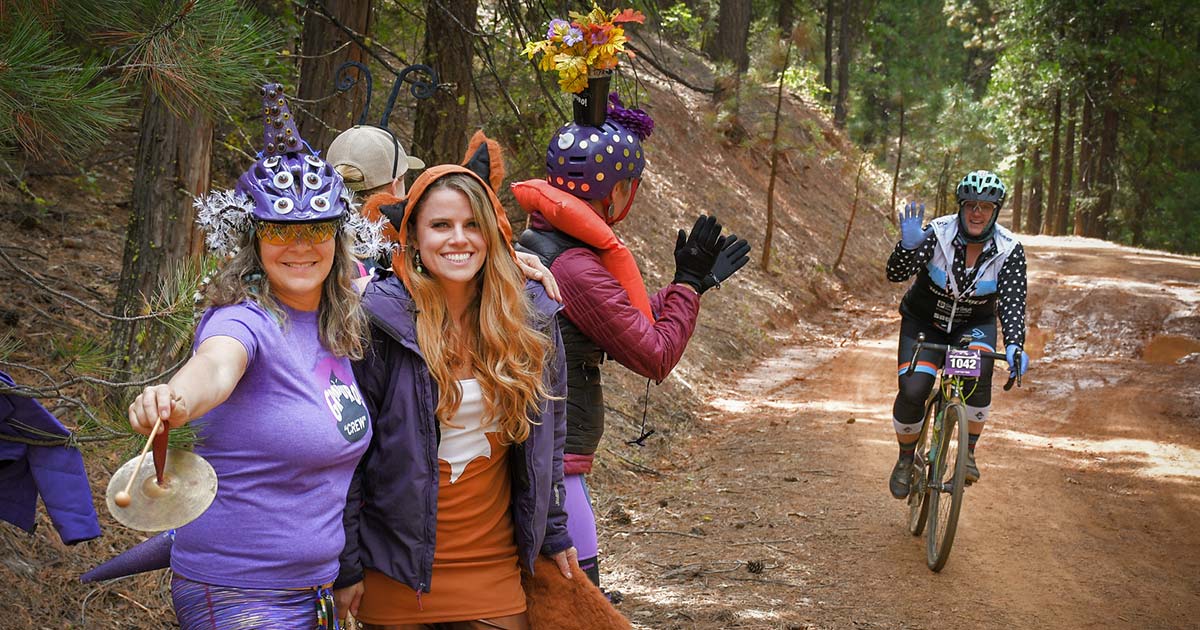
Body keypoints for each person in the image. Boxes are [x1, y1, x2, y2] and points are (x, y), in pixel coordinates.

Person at [126, 83, 388, 628]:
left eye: (317, 228)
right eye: (280, 229)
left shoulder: (336, 320)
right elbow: (216, 367)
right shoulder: (242, 321)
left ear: (339, 239)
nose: (299, 244)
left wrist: (520, 264)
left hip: (315, 592)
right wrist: (175, 398)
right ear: (254, 238)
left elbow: (442, 277)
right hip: (239, 594)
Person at [512, 93, 751, 587]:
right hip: (560, 458)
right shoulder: (575, 264)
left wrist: (693, 285)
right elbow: (654, 354)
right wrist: (685, 287)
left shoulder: (542, 239)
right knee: (580, 594)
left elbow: (617, 317)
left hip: (548, 447)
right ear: (616, 192)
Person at [333, 157, 574, 630]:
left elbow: (551, 440)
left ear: (492, 233)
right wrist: (347, 563)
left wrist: (553, 529)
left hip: (493, 567)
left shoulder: (532, 319)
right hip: (395, 571)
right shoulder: (380, 322)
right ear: (414, 237)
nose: (458, 239)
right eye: (441, 225)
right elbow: (350, 455)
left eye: (471, 225)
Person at [885, 170, 1030, 499]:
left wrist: (1015, 345)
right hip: (924, 321)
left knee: (977, 377)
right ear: (961, 207)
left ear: (996, 211)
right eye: (971, 205)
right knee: (914, 389)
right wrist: (907, 248)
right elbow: (895, 274)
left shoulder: (1010, 249)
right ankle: (906, 459)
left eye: (986, 206)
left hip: (971, 327)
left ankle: (968, 454)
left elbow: (1012, 303)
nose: (977, 213)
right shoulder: (937, 233)